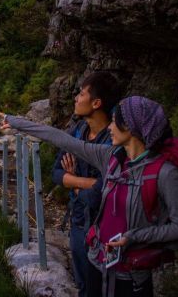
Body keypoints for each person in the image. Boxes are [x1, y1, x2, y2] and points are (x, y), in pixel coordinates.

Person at [0, 96, 178, 297]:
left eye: (115, 121)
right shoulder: (110, 156)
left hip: (132, 275)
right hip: (97, 262)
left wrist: (134, 237)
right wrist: (15, 122)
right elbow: (61, 139)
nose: (109, 127)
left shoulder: (165, 173)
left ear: (131, 128)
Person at [51, 71, 120, 297]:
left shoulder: (114, 139)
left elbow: (103, 190)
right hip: (79, 221)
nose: (76, 98)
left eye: (81, 94)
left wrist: (73, 183)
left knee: (103, 285)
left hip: (105, 225)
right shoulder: (78, 131)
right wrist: (85, 183)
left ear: (96, 103)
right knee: (83, 284)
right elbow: (56, 172)